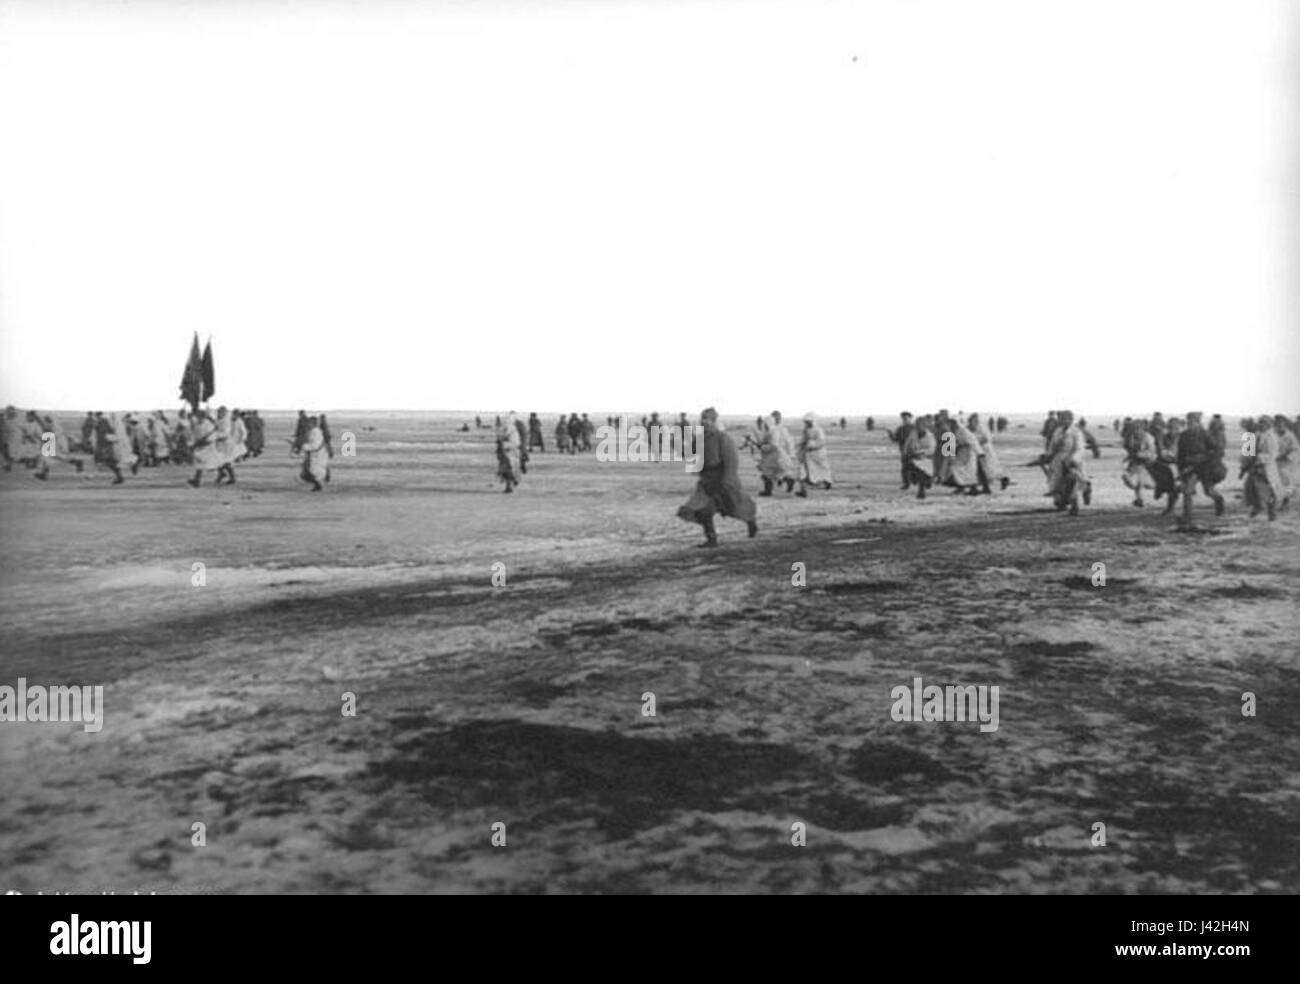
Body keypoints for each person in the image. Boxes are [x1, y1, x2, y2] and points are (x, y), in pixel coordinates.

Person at [676, 407, 758, 546]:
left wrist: (728, 480)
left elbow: (731, 460)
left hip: (723, 479)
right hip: (707, 481)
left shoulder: (722, 437)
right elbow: (690, 454)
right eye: (703, 418)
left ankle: (751, 522)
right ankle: (711, 539)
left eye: (708, 419)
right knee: (702, 509)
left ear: (713, 421)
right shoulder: (699, 438)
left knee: (734, 507)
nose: (704, 421)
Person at [1175, 411, 1226, 527]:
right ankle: (1187, 517)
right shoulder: (1183, 436)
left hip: (1205, 468)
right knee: (1187, 491)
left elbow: (1217, 450)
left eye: (1192, 421)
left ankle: (1219, 501)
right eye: (1188, 421)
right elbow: (1180, 455)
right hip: (1191, 468)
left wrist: (1204, 457)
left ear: (1198, 422)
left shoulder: (1205, 434)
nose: (1190, 423)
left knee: (1208, 491)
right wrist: (1181, 468)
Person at [756, 412, 796, 496]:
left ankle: (768, 491)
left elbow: (774, 445)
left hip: (774, 457)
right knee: (773, 474)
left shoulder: (774, 431)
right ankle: (788, 481)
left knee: (768, 473)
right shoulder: (771, 431)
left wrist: (763, 447)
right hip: (772, 457)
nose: (765, 425)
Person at [796, 413, 832, 497]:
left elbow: (821, 442)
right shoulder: (806, 430)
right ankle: (803, 490)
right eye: (806, 422)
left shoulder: (818, 430)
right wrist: (801, 446)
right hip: (807, 455)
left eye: (808, 421)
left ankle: (825, 483)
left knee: (820, 471)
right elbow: (803, 439)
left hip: (817, 455)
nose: (807, 423)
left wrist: (811, 444)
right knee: (803, 473)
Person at [902, 415, 936, 499]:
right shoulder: (913, 433)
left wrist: (921, 453)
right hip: (913, 457)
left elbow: (931, 449)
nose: (918, 427)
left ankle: (921, 491)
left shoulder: (930, 436)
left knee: (921, 472)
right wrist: (905, 452)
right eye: (917, 425)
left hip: (926, 459)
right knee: (909, 471)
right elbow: (907, 443)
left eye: (920, 425)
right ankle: (912, 483)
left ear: (924, 426)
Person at [299, 415, 331, 491]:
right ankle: (317, 485)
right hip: (315, 456)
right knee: (310, 471)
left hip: (318, 456)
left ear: (312, 423)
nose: (308, 424)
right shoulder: (313, 431)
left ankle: (318, 485)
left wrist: (304, 446)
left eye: (309, 423)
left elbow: (315, 446)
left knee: (313, 472)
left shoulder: (316, 432)